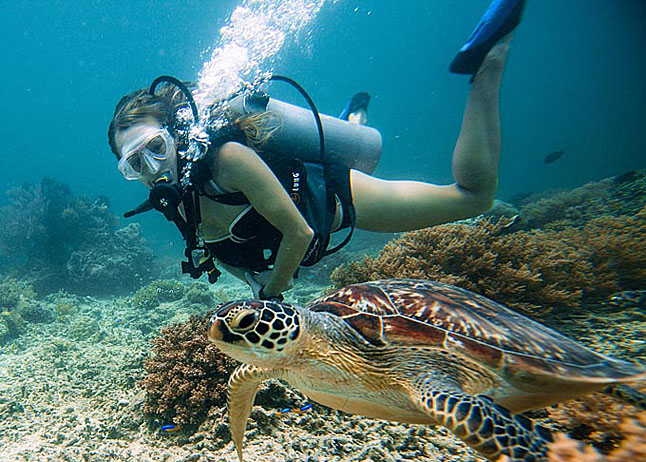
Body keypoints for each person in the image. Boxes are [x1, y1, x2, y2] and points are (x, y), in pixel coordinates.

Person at [108, 0, 525, 300]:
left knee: (473, 197)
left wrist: (272, 292)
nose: (152, 167)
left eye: (156, 147)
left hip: (338, 196)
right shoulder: (174, 198)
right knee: (350, 142)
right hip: (309, 192)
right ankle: (349, 119)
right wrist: (252, 280)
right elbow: (213, 243)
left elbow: (300, 232)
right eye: (134, 164)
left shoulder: (228, 161)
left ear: (175, 134)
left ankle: (491, 59)